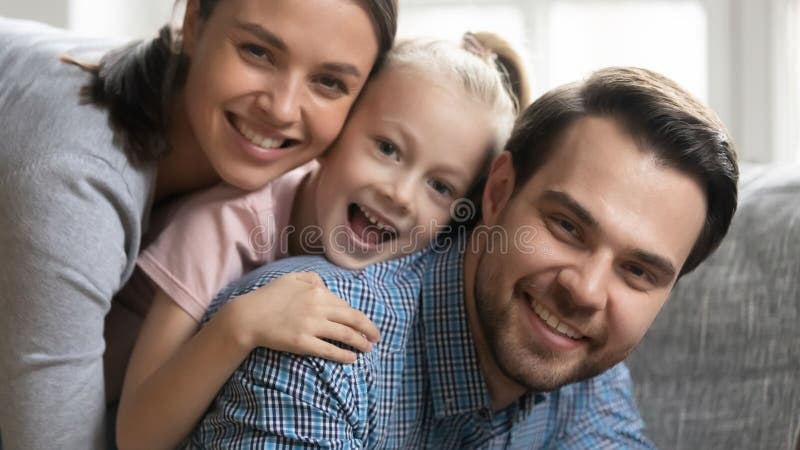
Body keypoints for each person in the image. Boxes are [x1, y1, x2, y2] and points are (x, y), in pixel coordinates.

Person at [185, 66, 739, 448]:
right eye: (567, 226)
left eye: (637, 272)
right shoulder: (318, 343)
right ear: (497, 192)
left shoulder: (586, 365)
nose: (587, 291)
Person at [0, 0, 397, 448]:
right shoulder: (72, 186)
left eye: (328, 82)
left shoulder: (296, 177)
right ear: (193, 22)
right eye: (258, 52)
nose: (283, 109)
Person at [115, 33, 527, 450]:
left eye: (439, 186)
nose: (400, 195)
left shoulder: (409, 269)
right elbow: (136, 436)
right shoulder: (218, 228)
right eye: (387, 149)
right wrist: (240, 325)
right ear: (335, 135)